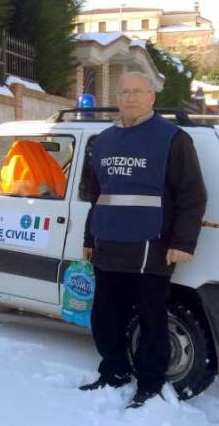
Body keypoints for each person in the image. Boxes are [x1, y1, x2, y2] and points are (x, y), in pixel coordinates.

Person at [79, 72, 207, 408]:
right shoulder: (102, 141)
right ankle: (114, 372)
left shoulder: (173, 139)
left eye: (138, 91)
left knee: (152, 321)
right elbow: (97, 197)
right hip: (108, 246)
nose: (130, 98)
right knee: (105, 317)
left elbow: (193, 195)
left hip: (153, 248)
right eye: (124, 92)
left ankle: (150, 383)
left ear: (152, 96)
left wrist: (184, 242)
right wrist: (89, 237)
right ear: (117, 97)